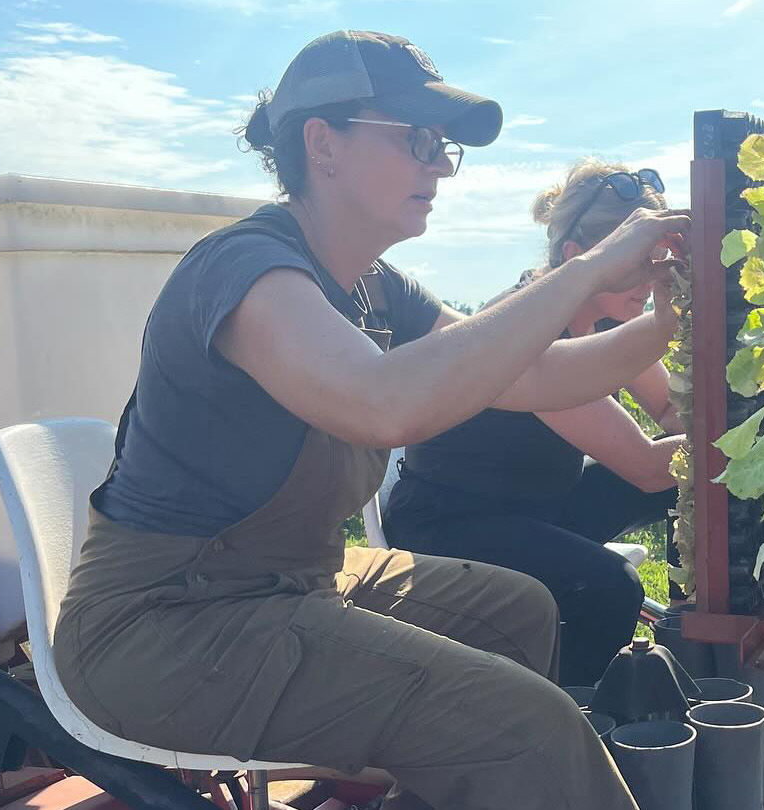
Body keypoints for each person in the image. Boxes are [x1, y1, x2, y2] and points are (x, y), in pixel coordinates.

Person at [50, 31, 687, 810]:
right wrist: (587, 270)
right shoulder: (245, 270)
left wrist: (671, 314)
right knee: (528, 724)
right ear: (322, 144)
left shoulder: (374, 289)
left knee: (524, 612)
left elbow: (534, 373)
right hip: (162, 628)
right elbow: (383, 402)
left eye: (444, 147)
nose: (438, 164)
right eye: (417, 140)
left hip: (289, 582)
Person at [383, 160, 686, 687]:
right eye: (643, 263)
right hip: (451, 524)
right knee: (610, 585)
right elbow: (646, 467)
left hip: (540, 506)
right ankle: (579, 719)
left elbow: (668, 410)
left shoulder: (615, 315)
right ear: (581, 259)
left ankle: (696, 622)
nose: (655, 277)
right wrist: (754, 443)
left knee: (698, 480)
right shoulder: (524, 328)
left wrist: (736, 422)